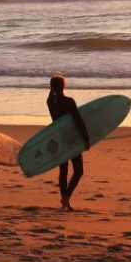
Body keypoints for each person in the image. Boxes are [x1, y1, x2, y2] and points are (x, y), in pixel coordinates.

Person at [47, 75, 90, 211]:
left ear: (52, 87)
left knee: (63, 171)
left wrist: (52, 88)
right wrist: (86, 138)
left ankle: (64, 200)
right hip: (71, 139)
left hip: (59, 139)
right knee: (78, 171)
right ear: (63, 86)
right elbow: (78, 120)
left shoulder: (49, 101)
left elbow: (51, 95)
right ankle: (66, 197)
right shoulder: (69, 101)